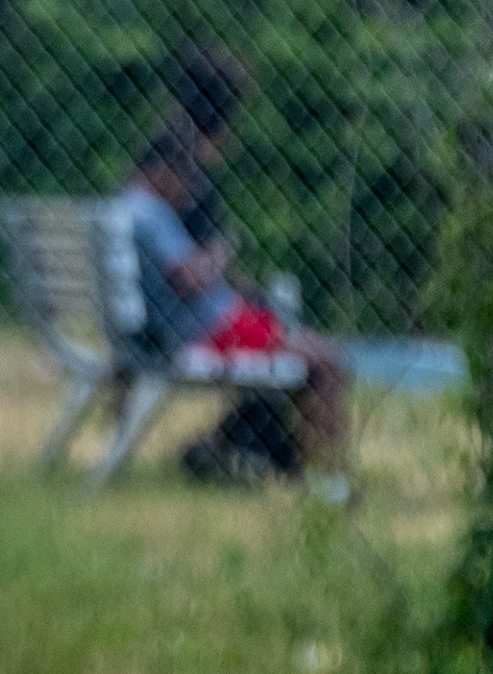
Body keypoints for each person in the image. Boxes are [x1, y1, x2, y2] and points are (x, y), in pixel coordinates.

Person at [122, 115, 347, 483]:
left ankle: (232, 450)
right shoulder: (150, 213)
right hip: (210, 332)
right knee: (326, 361)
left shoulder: (125, 208)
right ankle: (331, 479)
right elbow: (189, 278)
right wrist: (218, 255)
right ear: (163, 172)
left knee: (307, 347)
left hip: (196, 328)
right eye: (186, 180)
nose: (188, 194)